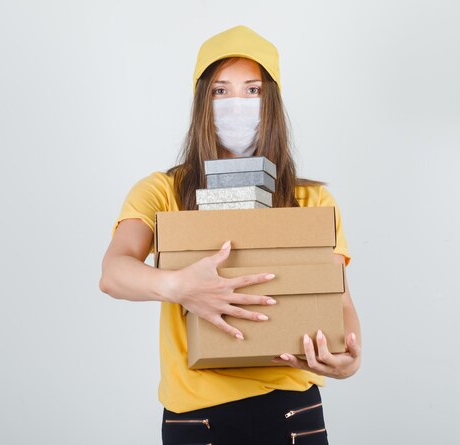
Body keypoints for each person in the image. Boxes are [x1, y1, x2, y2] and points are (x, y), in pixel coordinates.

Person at [99, 25, 361, 445]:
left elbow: (341, 302)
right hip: (196, 417)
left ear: (271, 101)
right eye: (220, 91)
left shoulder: (311, 198)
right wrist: (180, 286)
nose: (236, 104)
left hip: (293, 409)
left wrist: (348, 357)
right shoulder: (162, 191)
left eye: (252, 90)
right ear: (202, 101)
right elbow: (113, 272)